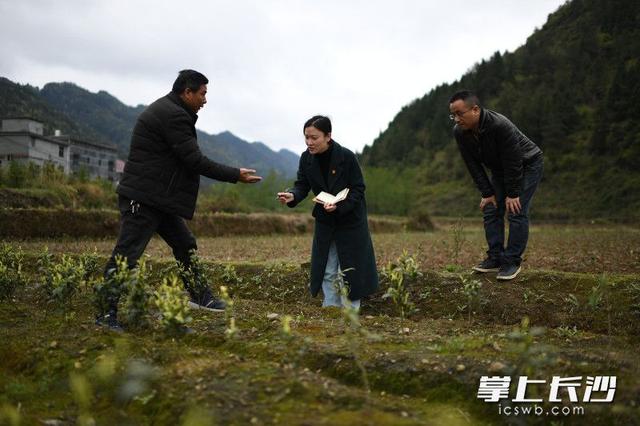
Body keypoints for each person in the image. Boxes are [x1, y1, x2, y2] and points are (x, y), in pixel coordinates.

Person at [97, 69, 261, 329]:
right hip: (143, 198)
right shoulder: (173, 115)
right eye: (203, 94)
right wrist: (234, 175)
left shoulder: (172, 111)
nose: (205, 100)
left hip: (158, 197)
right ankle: (106, 314)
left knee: (185, 243)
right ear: (187, 92)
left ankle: (199, 296)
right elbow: (194, 160)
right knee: (126, 255)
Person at [277, 115, 378, 309]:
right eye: (306, 137)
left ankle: (350, 313)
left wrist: (340, 206)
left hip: (349, 220)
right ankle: (330, 311)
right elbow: (302, 185)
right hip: (325, 220)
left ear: (328, 136)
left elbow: (358, 188)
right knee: (327, 269)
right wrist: (292, 195)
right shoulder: (306, 158)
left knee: (349, 270)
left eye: (314, 138)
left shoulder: (346, 157)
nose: (309, 142)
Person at [449, 90, 543, 280]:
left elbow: (514, 161)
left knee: (516, 210)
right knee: (491, 208)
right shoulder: (460, 132)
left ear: (475, 110)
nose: (456, 119)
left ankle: (511, 261)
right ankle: (495, 258)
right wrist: (487, 193)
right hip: (500, 169)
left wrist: (513, 193)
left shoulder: (500, 125)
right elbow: (473, 165)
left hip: (527, 163)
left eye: (460, 113)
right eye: (453, 115)